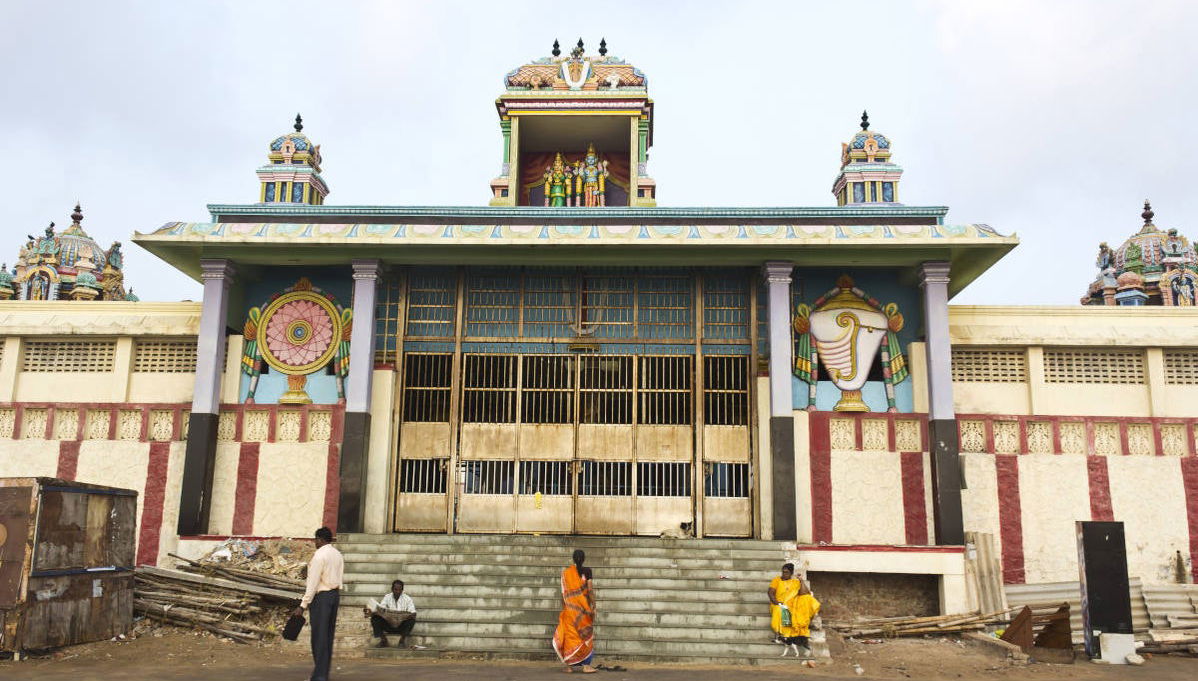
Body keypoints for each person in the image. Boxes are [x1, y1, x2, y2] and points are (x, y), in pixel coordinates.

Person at [293, 527, 344, 681]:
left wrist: (303, 605)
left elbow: (313, 583)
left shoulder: (319, 555)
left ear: (320, 539)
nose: (315, 542)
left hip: (322, 597)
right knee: (327, 636)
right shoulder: (337, 554)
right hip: (334, 595)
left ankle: (320, 676)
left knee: (319, 637)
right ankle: (323, 673)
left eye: (316, 540)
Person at [552, 549, 596, 673]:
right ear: (584, 559)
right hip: (584, 610)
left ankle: (569, 667)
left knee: (570, 636)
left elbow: (563, 594)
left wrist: (565, 607)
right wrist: (594, 605)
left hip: (570, 610)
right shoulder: (588, 571)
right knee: (585, 637)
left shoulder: (566, 573)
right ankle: (586, 666)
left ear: (573, 559)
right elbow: (590, 591)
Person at [767, 562, 820, 658]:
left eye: (786, 572)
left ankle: (801, 629)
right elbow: (770, 593)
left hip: (793, 604)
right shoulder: (776, 580)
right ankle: (783, 635)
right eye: (783, 572)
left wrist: (801, 581)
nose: (784, 574)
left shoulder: (795, 582)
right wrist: (778, 603)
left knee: (808, 599)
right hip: (778, 604)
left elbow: (804, 593)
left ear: (791, 573)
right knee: (781, 610)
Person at [363, 579, 417, 648]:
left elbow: (413, 613)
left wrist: (406, 616)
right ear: (392, 589)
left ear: (402, 590)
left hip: (401, 627)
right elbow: (381, 608)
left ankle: (402, 641)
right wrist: (374, 612)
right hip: (389, 625)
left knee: (411, 620)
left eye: (399, 590)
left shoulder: (407, 599)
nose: (397, 592)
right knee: (375, 618)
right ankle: (383, 640)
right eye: (395, 589)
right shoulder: (387, 597)